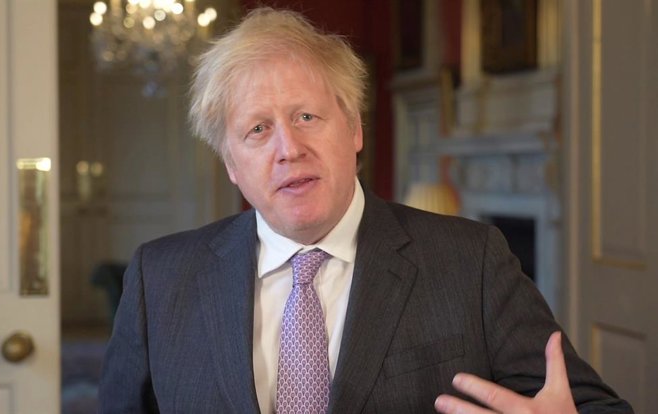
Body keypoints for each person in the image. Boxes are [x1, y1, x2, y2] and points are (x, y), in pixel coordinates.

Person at [99, 7, 633, 414]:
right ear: (231, 163)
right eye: (257, 129)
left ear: (354, 129)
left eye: (307, 116)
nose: (288, 148)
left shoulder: (472, 263)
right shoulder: (160, 279)